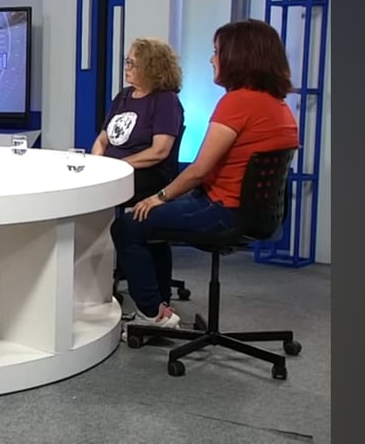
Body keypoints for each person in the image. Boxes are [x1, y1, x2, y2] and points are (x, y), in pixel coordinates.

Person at [110, 19, 299, 331]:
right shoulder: (279, 107)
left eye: (217, 52)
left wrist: (159, 198)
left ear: (239, 56)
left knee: (127, 226)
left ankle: (153, 315)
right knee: (150, 223)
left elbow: (199, 170)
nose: (212, 59)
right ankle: (160, 304)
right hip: (254, 215)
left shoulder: (237, 102)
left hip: (222, 211)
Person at [92, 37, 185, 204]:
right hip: (114, 169)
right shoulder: (123, 96)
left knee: (96, 192)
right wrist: (97, 164)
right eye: (127, 62)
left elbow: (159, 151)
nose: (126, 68)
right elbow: (102, 139)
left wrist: (119, 166)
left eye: (131, 63)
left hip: (146, 173)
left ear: (150, 68)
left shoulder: (166, 101)